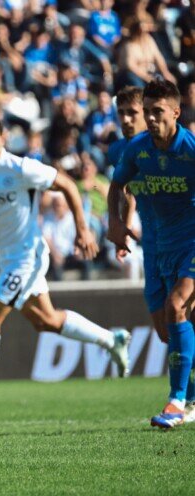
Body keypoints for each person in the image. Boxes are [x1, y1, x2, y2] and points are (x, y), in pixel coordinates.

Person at [0, 116, 130, 419]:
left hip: (28, 257)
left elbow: (66, 184)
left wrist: (82, 229)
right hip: (7, 259)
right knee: (46, 321)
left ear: (2, 138)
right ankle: (111, 339)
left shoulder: (20, 168)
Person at [107, 79, 195, 429]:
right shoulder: (135, 150)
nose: (149, 119)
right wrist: (114, 223)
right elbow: (117, 186)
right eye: (147, 112)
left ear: (176, 112)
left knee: (177, 307)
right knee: (166, 328)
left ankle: (176, 401)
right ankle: (189, 395)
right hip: (160, 248)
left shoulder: (190, 150)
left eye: (156, 112)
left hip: (192, 243)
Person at [107, 86, 166, 338]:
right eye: (120, 113)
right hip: (152, 245)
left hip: (182, 241)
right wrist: (124, 227)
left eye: (132, 112)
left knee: (180, 312)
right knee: (164, 331)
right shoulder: (118, 151)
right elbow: (130, 190)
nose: (125, 119)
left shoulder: (170, 146)